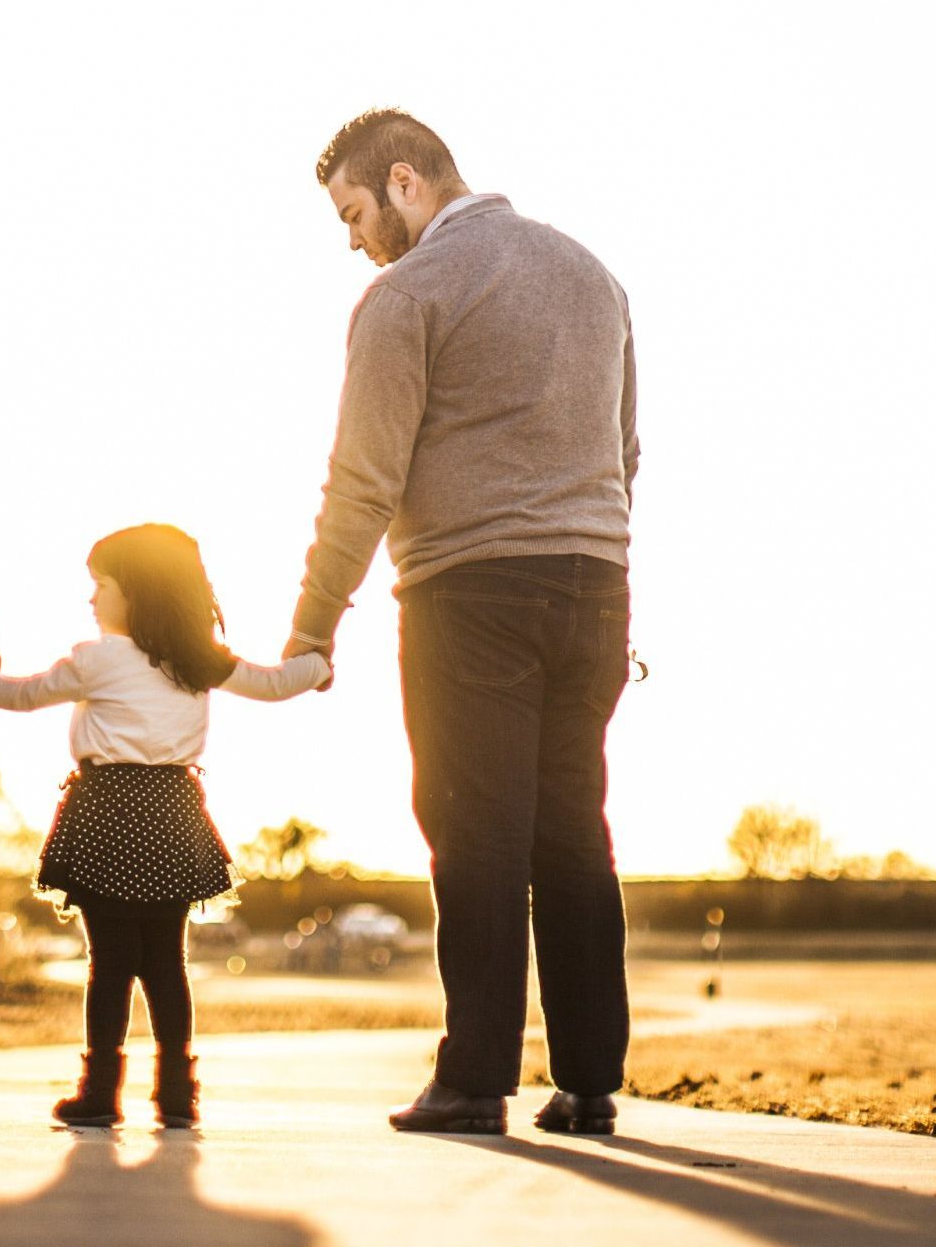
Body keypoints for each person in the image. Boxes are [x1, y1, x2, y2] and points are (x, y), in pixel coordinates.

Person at [281, 109, 639, 1136]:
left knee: (473, 832)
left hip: (468, 591)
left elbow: (364, 480)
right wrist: (595, 553)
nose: (353, 240)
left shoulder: (408, 294)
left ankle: (474, 1080)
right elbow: (626, 449)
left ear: (404, 182)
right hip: (595, 585)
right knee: (573, 828)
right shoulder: (593, 276)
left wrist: (313, 628)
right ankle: (589, 1083)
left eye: (354, 214)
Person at [0, 524, 330, 1128]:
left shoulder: (99, 658)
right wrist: (316, 667)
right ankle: (177, 1094)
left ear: (134, 590)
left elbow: (26, 694)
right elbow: (272, 684)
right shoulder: (196, 659)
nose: (91, 599)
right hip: (172, 815)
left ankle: (101, 1092)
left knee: (108, 961)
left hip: (107, 812)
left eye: (99, 585)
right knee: (167, 961)